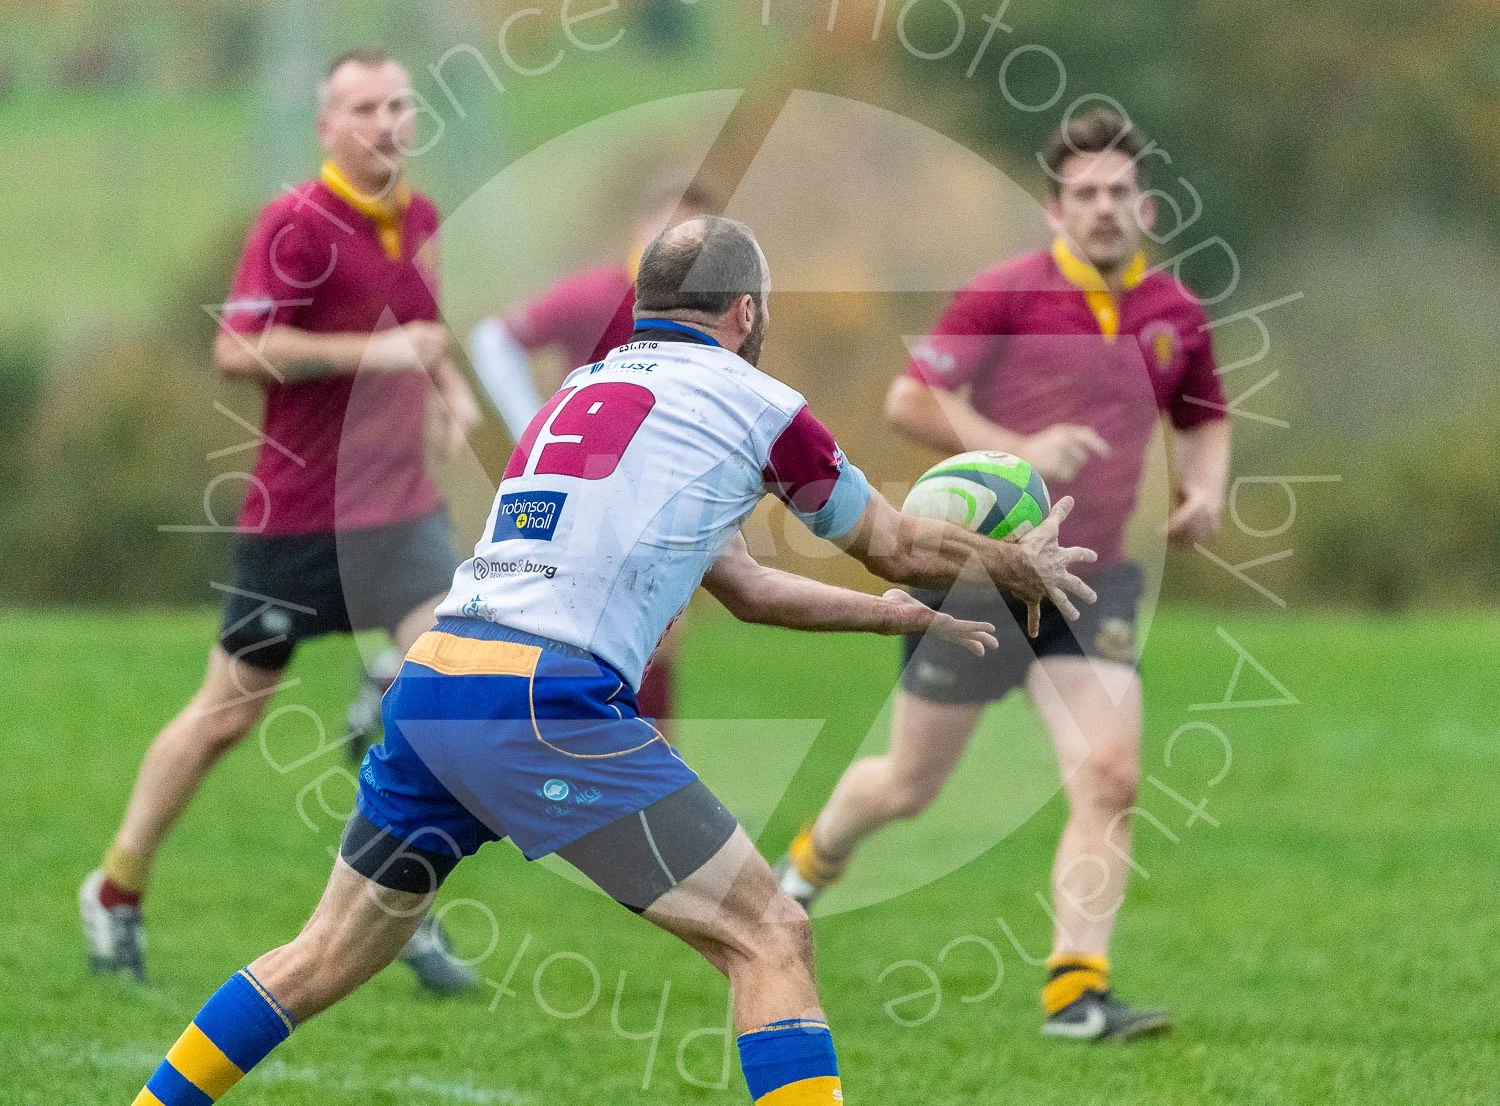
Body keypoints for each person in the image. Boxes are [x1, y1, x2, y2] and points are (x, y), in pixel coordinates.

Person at [127, 215, 1096, 1106]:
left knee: (322, 954)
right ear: (747, 311)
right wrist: (1002, 560)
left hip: (434, 689)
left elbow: (748, 587)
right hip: (543, 704)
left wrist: (895, 621)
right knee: (770, 934)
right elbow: (893, 540)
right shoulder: (759, 405)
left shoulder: (581, 394)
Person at [776, 108, 1232, 1042]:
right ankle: (810, 864)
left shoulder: (1174, 313)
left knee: (1108, 776)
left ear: (1143, 206)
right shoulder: (1004, 294)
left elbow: (1204, 411)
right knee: (908, 785)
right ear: (1056, 209)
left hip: (1092, 581)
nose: (1103, 209)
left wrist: (1206, 491)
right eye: (1084, 194)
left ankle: (1075, 995)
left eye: (1117, 193)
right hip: (980, 583)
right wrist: (1017, 449)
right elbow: (911, 400)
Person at [81, 48, 482, 995]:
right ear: (327, 126)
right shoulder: (295, 223)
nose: (389, 123)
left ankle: (402, 912)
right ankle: (117, 887)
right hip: (301, 520)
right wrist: (380, 353)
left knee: (448, 691)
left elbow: (421, 334)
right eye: (366, 108)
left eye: (400, 105)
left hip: (401, 514)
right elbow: (239, 348)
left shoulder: (418, 217)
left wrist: (448, 389)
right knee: (227, 714)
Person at [465, 178, 715, 731]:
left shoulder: (706, 317)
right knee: (583, 638)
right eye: (671, 233)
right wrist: (534, 428)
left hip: (656, 495)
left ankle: (647, 779)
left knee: (659, 641)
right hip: (582, 498)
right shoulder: (603, 296)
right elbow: (492, 340)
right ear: (641, 233)